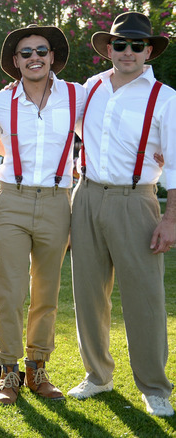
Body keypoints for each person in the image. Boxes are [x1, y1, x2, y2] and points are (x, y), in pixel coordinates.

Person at [67, 12, 176, 417]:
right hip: (88, 195)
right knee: (88, 293)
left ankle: (154, 386)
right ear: (107, 49)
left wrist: (171, 218)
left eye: (136, 45)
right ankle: (98, 376)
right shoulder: (90, 88)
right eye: (119, 44)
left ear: (148, 51)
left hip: (137, 200)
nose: (127, 52)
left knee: (144, 296)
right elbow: (59, 117)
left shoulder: (165, 98)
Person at [0, 25, 87, 405]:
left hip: (58, 199)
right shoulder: (1, 101)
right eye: (26, 53)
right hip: (13, 198)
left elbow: (107, 133)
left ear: (52, 56)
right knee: (9, 289)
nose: (34, 57)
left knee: (47, 290)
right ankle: (8, 372)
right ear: (15, 61)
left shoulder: (77, 96)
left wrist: (154, 151)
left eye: (41, 50)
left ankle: (37, 367)